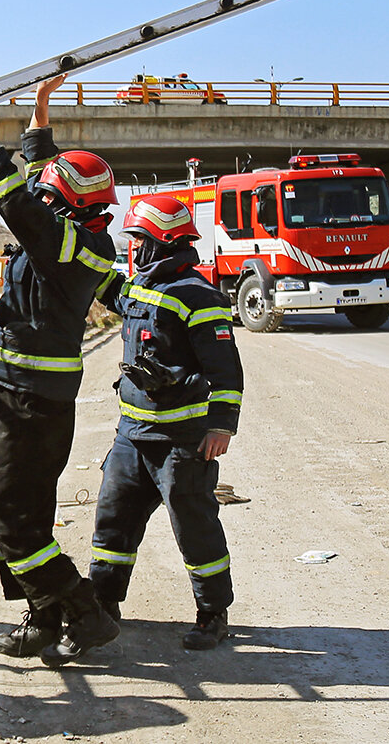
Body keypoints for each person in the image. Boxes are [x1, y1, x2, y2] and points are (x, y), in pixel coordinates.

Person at [0, 74, 121, 666]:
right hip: (35, 395)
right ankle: (42, 620)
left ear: (61, 202)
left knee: (10, 517)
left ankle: (84, 611)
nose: (41, 192)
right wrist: (39, 112)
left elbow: (16, 198)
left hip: (30, 401)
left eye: (49, 191)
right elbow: (40, 179)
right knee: (26, 513)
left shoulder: (60, 241)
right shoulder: (83, 236)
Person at [91, 195, 244, 651]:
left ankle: (213, 614)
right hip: (131, 437)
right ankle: (102, 606)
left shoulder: (200, 295)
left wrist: (222, 426)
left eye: (140, 239)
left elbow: (227, 369)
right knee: (111, 526)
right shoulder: (137, 287)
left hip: (183, 440)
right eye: (132, 240)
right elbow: (98, 280)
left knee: (195, 530)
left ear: (165, 241)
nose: (134, 248)